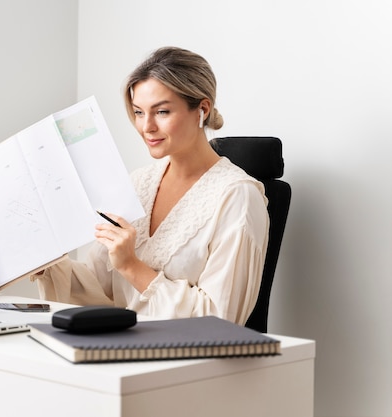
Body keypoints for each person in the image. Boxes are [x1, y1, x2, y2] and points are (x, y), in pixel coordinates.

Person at [33, 47, 269, 325]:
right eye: (138, 112)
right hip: (117, 348)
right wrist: (44, 259)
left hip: (185, 361)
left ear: (202, 110)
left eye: (162, 112)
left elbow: (220, 319)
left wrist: (132, 266)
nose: (147, 127)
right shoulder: (138, 183)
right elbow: (97, 288)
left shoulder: (237, 197)